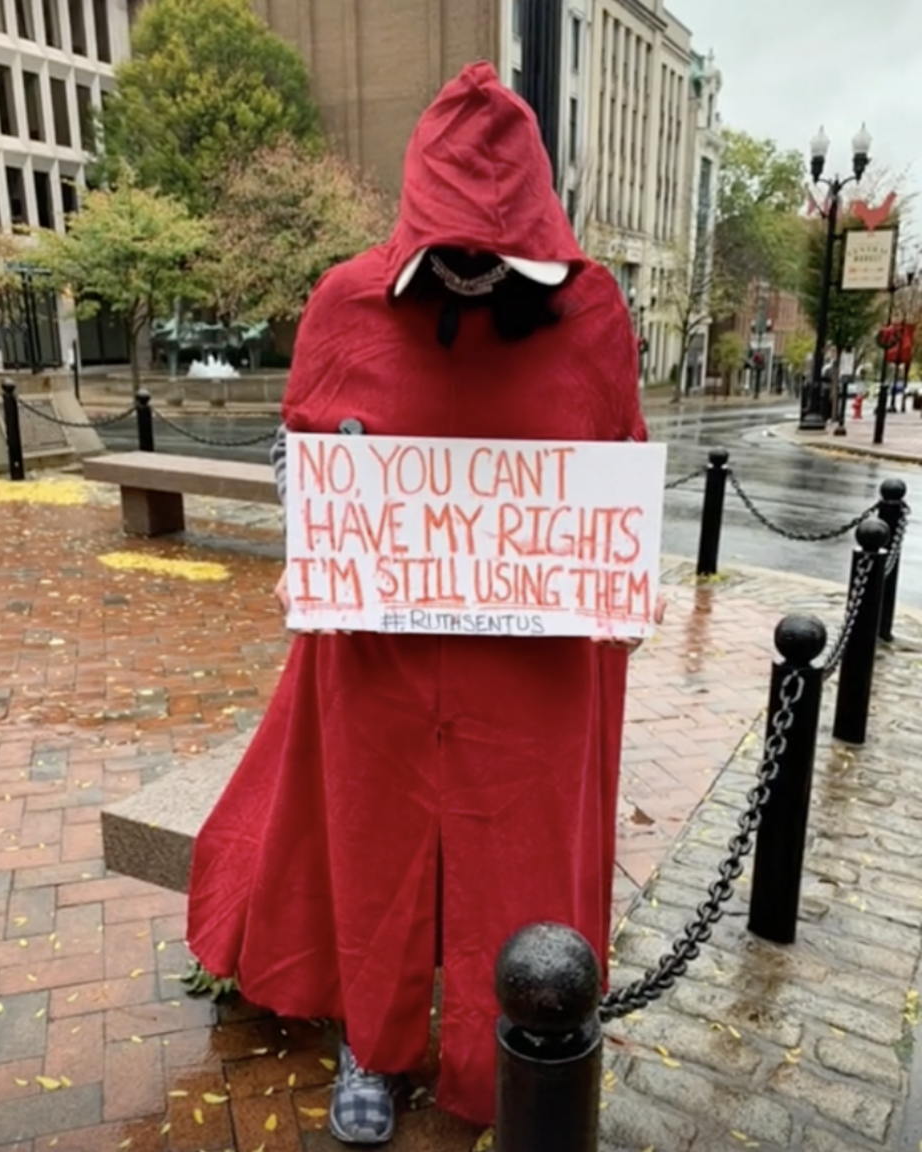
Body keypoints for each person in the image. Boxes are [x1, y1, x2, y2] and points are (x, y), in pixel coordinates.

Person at [188, 62, 657, 1143]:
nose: (472, 269)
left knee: (526, 846)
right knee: (375, 840)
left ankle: (516, 1054)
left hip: (529, 663)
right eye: (451, 246)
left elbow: (614, 474)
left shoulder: (592, 314)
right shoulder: (345, 302)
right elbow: (299, 453)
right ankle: (375, 1038)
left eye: (494, 250)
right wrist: (318, 482)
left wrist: (617, 568)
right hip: (387, 651)